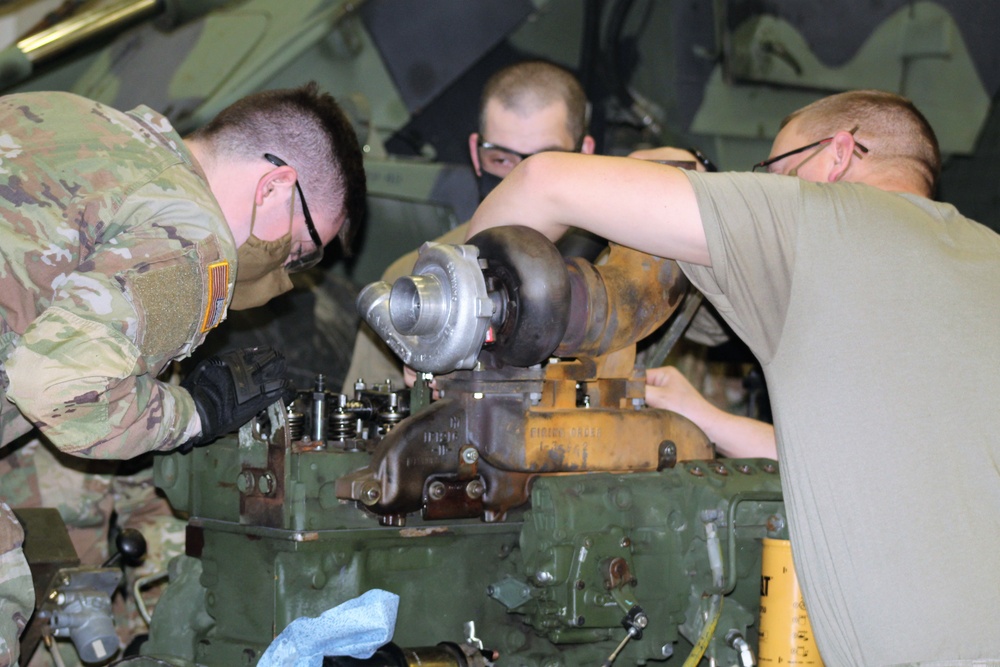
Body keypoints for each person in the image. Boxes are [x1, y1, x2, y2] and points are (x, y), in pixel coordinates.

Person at [466, 89, 1000, 666]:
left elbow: (543, 182)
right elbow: (876, 460)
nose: (769, 188)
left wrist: (449, 323)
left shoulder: (809, 218)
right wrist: (709, 419)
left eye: (774, 171)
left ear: (838, 155)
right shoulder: (985, 256)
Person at [0, 83, 366, 665]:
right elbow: (62, 393)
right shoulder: (192, 236)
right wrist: (197, 414)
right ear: (275, 186)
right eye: (301, 249)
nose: (289, 271)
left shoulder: (69, 117)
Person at [341, 60, 595, 393]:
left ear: (585, 154)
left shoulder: (625, 269)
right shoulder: (418, 284)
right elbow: (369, 424)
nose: (521, 180)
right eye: (501, 160)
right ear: (476, 154)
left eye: (544, 163)